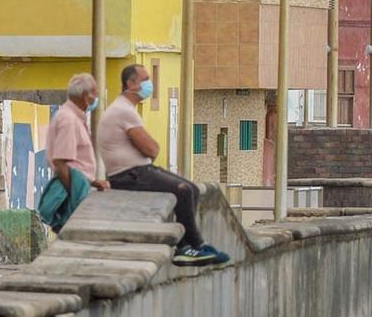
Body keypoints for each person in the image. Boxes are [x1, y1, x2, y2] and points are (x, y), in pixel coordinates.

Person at [98, 64, 229, 266]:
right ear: (130, 83)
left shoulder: (125, 109)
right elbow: (151, 149)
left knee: (192, 188)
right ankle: (195, 245)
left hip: (139, 170)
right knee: (183, 191)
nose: (149, 84)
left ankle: (186, 247)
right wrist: (153, 146)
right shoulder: (123, 111)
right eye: (145, 79)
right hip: (129, 174)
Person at [37, 73, 106, 232]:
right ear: (84, 96)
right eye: (94, 93)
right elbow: (61, 163)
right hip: (74, 190)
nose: (96, 98)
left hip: (80, 184)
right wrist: (74, 193)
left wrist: (92, 181)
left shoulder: (74, 117)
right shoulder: (68, 120)